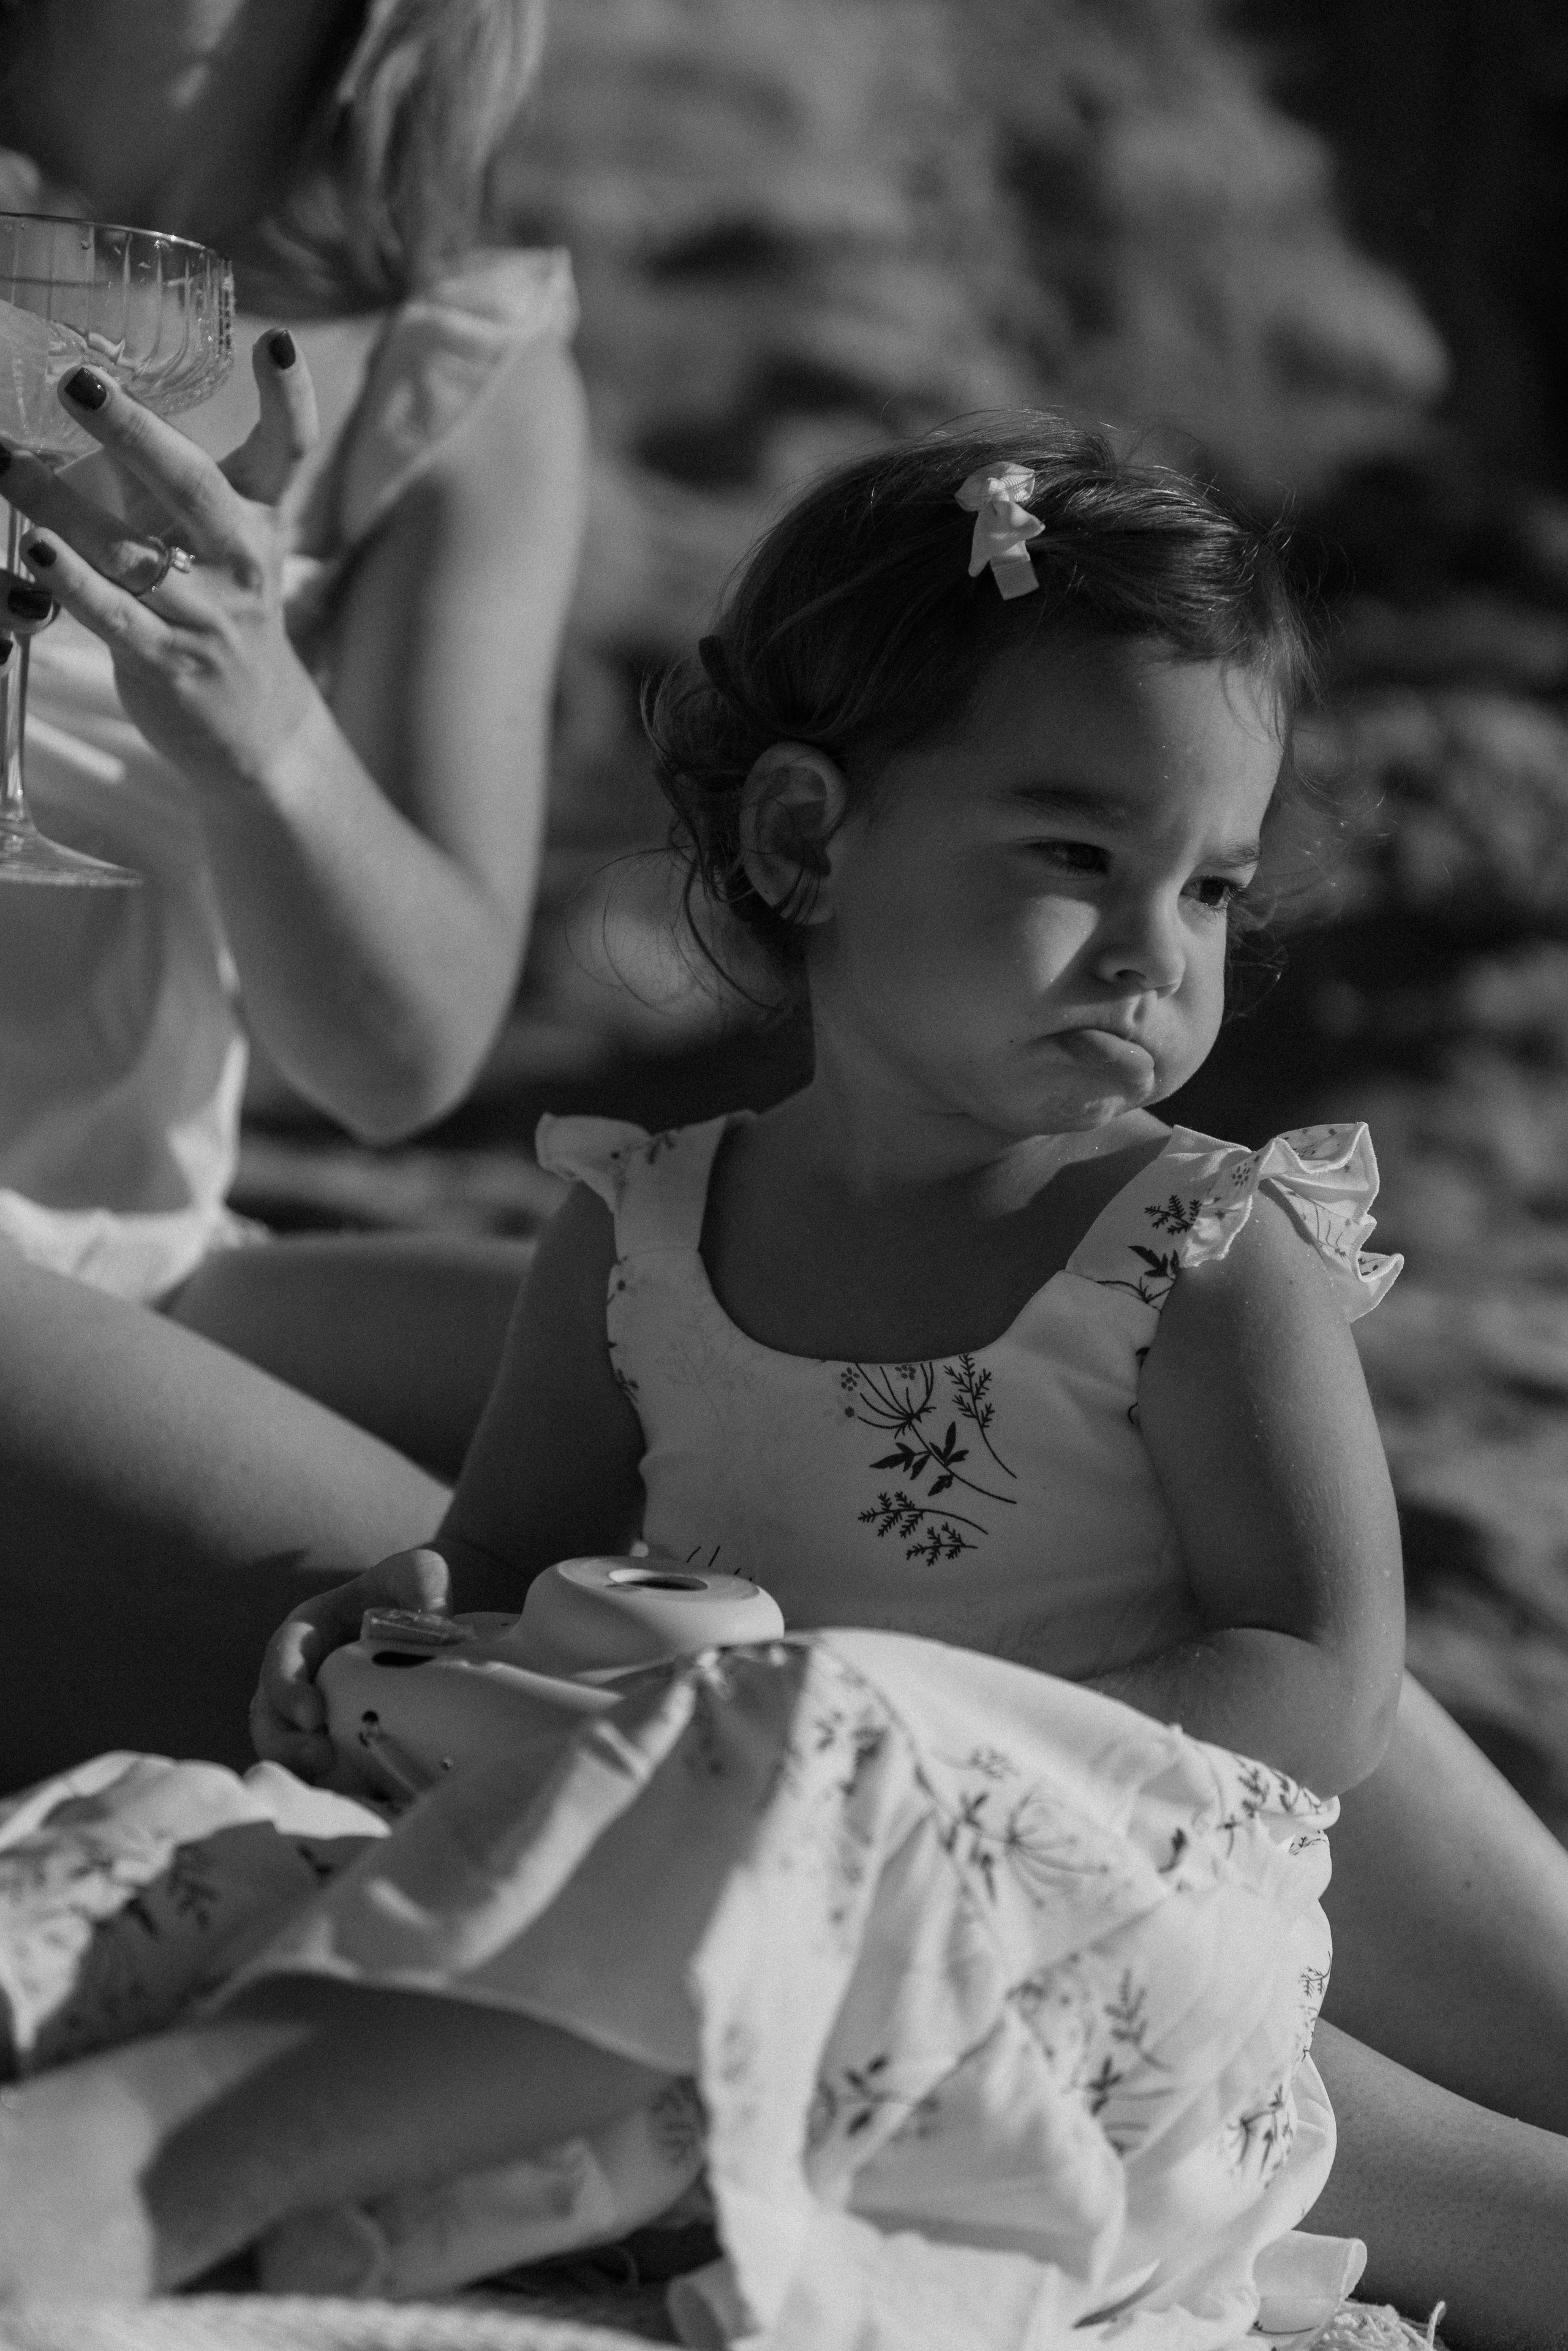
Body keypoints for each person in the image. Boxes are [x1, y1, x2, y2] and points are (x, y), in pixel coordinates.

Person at [2, 417, 1563, 2339]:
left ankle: (142, 2176)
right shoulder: (644, 1223)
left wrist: (920, 1734)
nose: (1158, 953)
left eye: (1214, 890)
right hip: (734, 1867)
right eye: (1081, 854)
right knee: (199, 1845)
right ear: (807, 837)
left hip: (1086, 1951)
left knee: (784, 1759)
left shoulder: (1204, 1253)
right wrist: (405, 1627)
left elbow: (1321, 1681)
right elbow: (507, 1555)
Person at [0, 0, 587, 1777]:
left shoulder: (447, 370)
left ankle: (1436, 2059)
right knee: (527, 1681)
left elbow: (397, 1062)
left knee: (899, 1415)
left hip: (132, 1260)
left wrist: (265, 729)